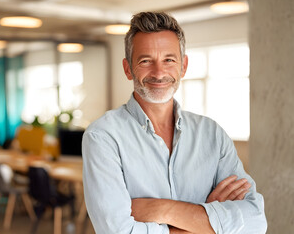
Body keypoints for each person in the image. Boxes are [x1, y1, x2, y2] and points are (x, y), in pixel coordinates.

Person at [82, 12, 267, 234]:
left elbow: (255, 222)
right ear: (128, 68)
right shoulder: (103, 136)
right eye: (145, 61)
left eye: (169, 60)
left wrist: (163, 209)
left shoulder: (212, 134)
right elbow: (119, 232)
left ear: (183, 66)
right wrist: (208, 221)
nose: (159, 73)